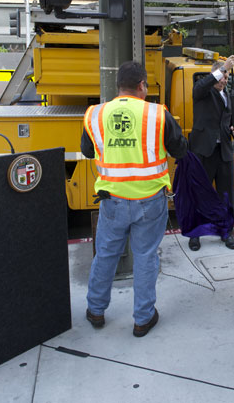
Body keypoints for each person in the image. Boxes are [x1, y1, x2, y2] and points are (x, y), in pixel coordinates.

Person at [81, 61, 187, 337]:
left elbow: (88, 151)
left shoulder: (95, 114)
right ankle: (143, 318)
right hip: (150, 199)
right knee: (145, 257)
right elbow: (180, 150)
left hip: (112, 200)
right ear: (141, 85)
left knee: (105, 255)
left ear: (119, 86)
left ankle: (95, 310)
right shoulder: (157, 114)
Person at [188, 55, 234, 251]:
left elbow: (229, 123)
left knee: (225, 194)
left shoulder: (229, 95)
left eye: (226, 77)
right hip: (203, 150)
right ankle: (195, 234)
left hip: (224, 152)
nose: (223, 81)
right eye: (221, 76)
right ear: (214, 75)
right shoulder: (202, 92)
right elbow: (200, 87)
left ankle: (226, 232)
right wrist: (223, 68)